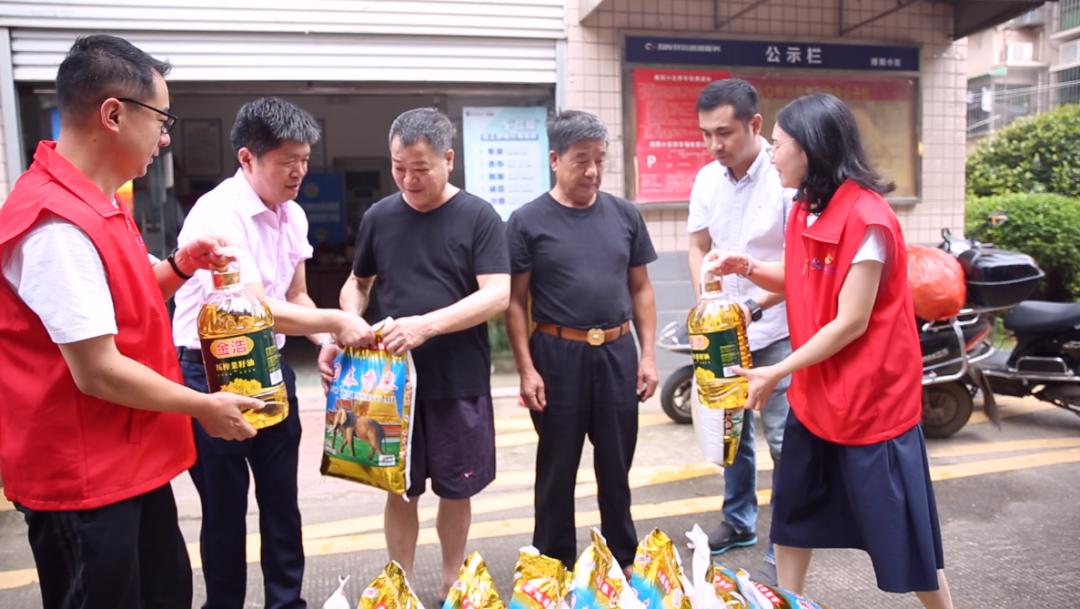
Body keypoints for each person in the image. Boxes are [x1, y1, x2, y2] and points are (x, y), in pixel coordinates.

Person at [0, 34, 261, 609]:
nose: (165, 137)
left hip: (129, 464)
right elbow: (98, 370)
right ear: (113, 114)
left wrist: (179, 266)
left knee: (165, 593)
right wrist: (205, 408)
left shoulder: (98, 200)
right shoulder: (54, 226)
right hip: (85, 482)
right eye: (161, 119)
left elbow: (118, 300)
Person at [705, 93, 954, 608]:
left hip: (871, 402)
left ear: (811, 150)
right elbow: (798, 279)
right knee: (793, 514)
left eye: (778, 145)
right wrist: (746, 268)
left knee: (903, 534)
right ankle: (789, 602)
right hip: (818, 397)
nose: (771, 155)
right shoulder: (805, 207)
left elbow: (849, 321)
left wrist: (775, 372)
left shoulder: (868, 219)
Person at [172, 96, 374, 609]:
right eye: (288, 161)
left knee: (282, 502)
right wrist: (338, 319)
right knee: (224, 509)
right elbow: (253, 308)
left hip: (270, 367)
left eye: (305, 159)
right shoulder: (219, 214)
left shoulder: (294, 215)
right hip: (210, 372)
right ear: (247, 158)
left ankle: (287, 604)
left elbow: (296, 295)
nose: (300, 172)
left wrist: (326, 341)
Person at [337, 107, 510, 600]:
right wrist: (351, 320)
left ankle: (452, 579)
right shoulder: (379, 217)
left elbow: (497, 293)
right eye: (398, 167)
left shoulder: (478, 216)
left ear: (448, 159)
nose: (408, 179)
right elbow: (358, 282)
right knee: (399, 485)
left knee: (458, 485)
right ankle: (401, 582)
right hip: (391, 384)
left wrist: (426, 327)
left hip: (459, 377)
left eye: (420, 168)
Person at [506, 110, 659, 572]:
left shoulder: (625, 215)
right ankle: (554, 565)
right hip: (556, 355)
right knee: (557, 469)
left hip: (617, 351)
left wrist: (648, 355)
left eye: (600, 160)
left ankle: (621, 561)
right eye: (580, 161)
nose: (592, 171)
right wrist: (527, 368)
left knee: (616, 465)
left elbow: (641, 288)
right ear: (555, 159)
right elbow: (515, 302)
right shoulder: (527, 221)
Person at [686, 79, 793, 583]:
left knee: (783, 436)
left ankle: (789, 536)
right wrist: (706, 305)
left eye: (724, 133)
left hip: (776, 328)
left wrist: (749, 306)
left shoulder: (788, 177)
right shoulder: (707, 179)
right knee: (732, 435)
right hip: (723, 335)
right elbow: (697, 245)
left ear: (755, 125)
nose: (714, 145)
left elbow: (800, 265)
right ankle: (739, 521)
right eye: (706, 134)